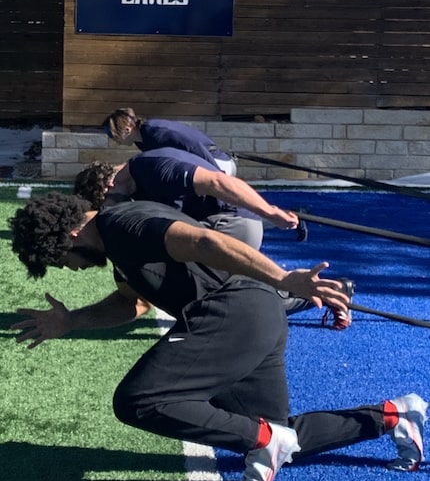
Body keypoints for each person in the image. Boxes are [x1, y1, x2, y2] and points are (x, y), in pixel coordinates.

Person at [8, 193, 427, 481]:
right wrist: (71, 321)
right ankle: (393, 416)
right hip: (254, 317)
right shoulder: (118, 242)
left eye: (61, 259)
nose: (69, 268)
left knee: (137, 401)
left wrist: (283, 279)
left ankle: (263, 439)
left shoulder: (123, 223)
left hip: (232, 311)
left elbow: (204, 241)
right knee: (282, 439)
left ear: (70, 233)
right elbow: (130, 303)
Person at [73, 156, 353, 329]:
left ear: (107, 188)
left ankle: (323, 290)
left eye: (104, 201)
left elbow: (217, 182)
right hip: (224, 223)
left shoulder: (147, 169)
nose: (108, 206)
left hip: (229, 225)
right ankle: (320, 290)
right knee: (237, 292)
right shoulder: (133, 187)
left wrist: (269, 214)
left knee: (233, 298)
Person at [103, 107, 238, 175]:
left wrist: (217, 174)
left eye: (114, 136)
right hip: (208, 165)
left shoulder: (155, 132)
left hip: (217, 163)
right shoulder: (142, 140)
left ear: (127, 129)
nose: (115, 141)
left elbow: (194, 146)